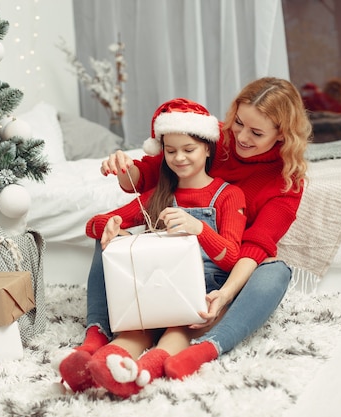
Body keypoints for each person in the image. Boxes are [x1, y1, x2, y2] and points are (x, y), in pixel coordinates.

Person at [58, 76, 311, 394]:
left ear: (283, 135)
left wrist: (223, 296)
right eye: (238, 124)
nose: (241, 137)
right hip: (166, 269)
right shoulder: (212, 136)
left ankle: (205, 348)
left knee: (276, 270)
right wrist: (124, 172)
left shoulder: (284, 183)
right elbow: (153, 172)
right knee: (112, 242)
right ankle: (96, 339)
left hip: (223, 271)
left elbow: (252, 247)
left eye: (257, 132)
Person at [76, 98, 246, 398]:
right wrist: (115, 225)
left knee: (177, 329)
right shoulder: (161, 194)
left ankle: (144, 373)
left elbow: (232, 257)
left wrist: (199, 229)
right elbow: (94, 224)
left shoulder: (229, 196)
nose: (179, 158)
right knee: (135, 329)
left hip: (203, 292)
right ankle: (91, 368)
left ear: (207, 148)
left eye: (189, 150)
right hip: (157, 285)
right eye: (171, 151)